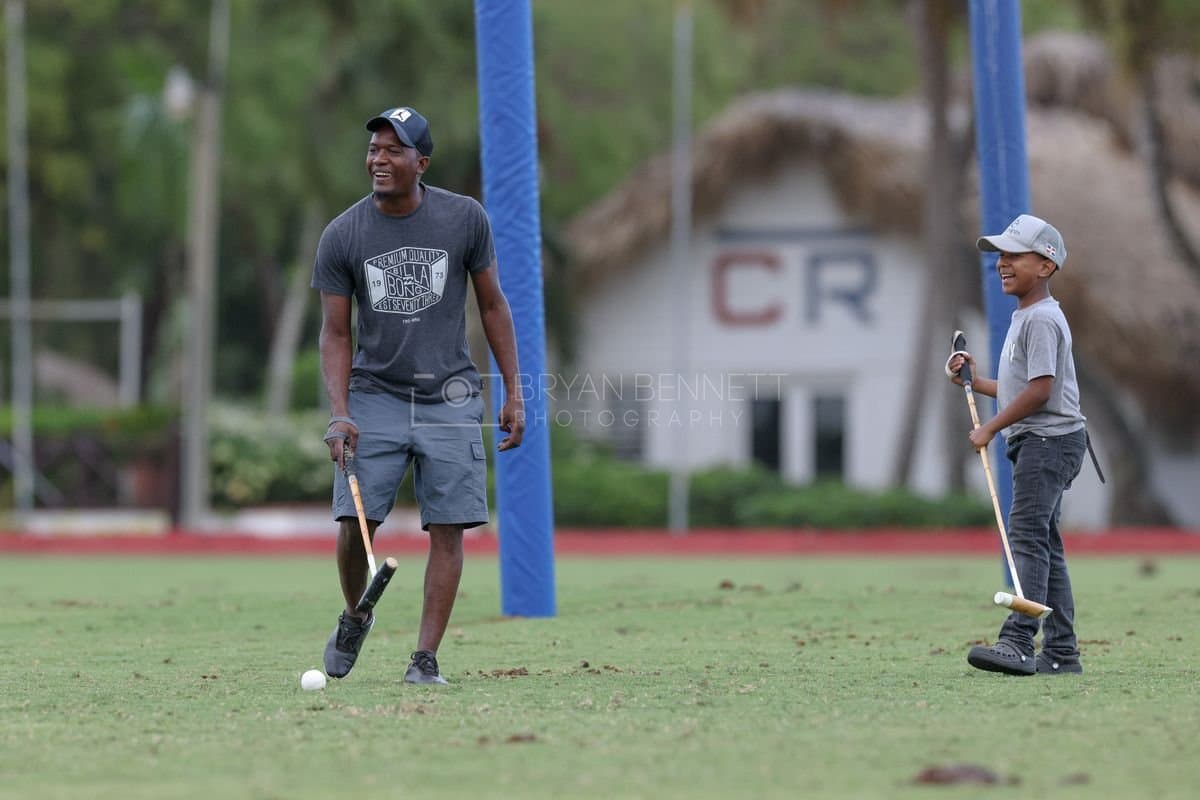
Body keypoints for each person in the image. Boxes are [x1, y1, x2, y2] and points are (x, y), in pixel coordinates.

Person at [311, 106, 525, 685]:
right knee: (355, 523)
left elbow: (492, 305)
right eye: (374, 150)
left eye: (393, 151)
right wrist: (340, 413)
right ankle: (356, 613)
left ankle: (425, 659)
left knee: (449, 526)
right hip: (374, 392)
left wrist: (513, 391)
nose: (378, 160)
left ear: (420, 162)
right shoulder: (344, 234)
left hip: (449, 394)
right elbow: (335, 333)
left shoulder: (463, 219)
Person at [947, 213, 1088, 676]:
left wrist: (989, 428)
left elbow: (1040, 391)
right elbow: (1019, 387)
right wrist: (973, 379)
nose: (1003, 264)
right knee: (1043, 542)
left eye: (1014, 255)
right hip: (1045, 442)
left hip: (1048, 442)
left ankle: (1018, 641)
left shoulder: (1042, 319)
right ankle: (1062, 653)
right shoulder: (1027, 315)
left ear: (1045, 266)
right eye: (1001, 256)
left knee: (1026, 538)